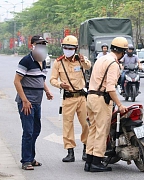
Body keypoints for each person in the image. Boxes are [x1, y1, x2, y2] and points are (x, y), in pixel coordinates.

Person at [84, 37, 128, 172]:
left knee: (93, 129)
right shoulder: (113, 64)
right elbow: (110, 88)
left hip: (91, 97)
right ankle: (97, 161)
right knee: (102, 131)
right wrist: (120, 104)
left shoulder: (101, 59)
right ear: (123, 52)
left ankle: (89, 161)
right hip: (101, 99)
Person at [14, 35, 53, 170]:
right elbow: (16, 81)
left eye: (44, 44)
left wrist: (47, 91)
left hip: (37, 102)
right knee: (28, 132)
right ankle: (26, 161)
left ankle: (31, 157)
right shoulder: (26, 61)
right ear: (33, 46)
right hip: (27, 103)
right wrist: (24, 100)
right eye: (39, 44)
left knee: (36, 130)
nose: (42, 46)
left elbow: (41, 79)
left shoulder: (44, 61)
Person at [50, 35, 91, 163]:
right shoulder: (58, 62)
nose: (68, 49)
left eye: (70, 48)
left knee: (86, 124)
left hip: (81, 97)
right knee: (67, 125)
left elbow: (88, 67)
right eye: (65, 47)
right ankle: (70, 151)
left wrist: (84, 60)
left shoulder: (80, 60)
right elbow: (52, 79)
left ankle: (86, 149)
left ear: (75, 48)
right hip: (68, 98)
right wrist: (59, 84)